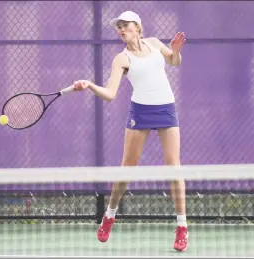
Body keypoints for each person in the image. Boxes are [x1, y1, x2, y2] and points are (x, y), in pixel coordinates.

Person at [73, 11, 188, 252]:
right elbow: (111, 94)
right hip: (141, 112)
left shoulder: (155, 44)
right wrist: (90, 85)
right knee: (127, 167)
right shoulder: (121, 59)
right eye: (119, 27)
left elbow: (174, 62)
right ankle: (110, 214)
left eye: (125, 25)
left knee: (174, 166)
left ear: (137, 27)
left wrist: (175, 51)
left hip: (166, 108)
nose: (122, 30)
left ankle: (181, 227)